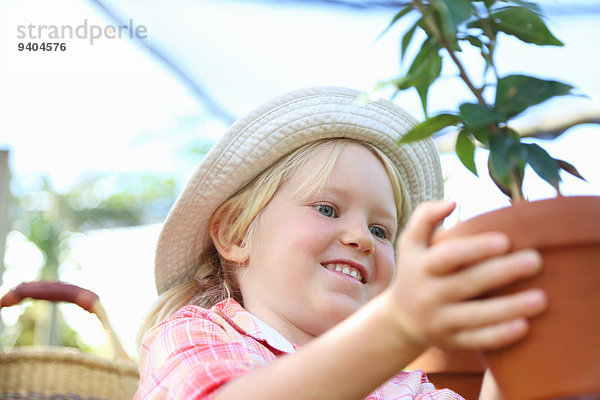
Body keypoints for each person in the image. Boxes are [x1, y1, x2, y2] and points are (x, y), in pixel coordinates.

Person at [133, 87, 547, 399]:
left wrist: (513, 350)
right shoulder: (194, 336)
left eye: (382, 230)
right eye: (328, 209)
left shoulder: (402, 388)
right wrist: (399, 325)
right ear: (235, 234)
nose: (362, 238)